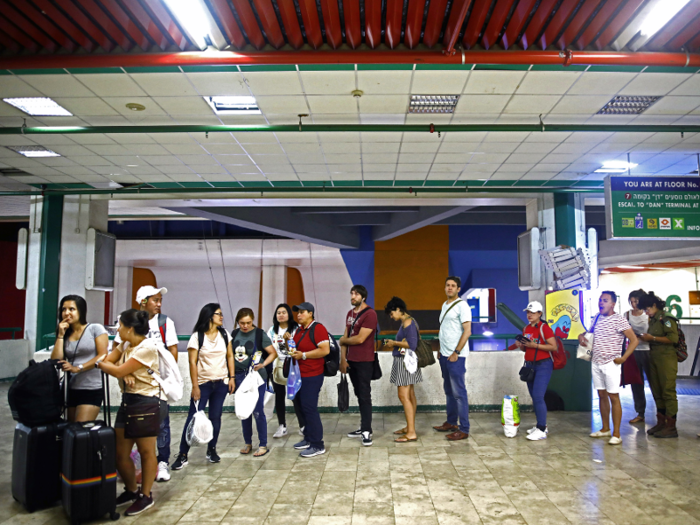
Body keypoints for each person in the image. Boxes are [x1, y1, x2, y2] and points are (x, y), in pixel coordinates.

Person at [95, 309, 168, 516]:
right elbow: (113, 362)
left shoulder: (146, 347)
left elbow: (110, 366)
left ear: (129, 328)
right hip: (128, 401)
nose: (117, 329)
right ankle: (131, 490)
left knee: (146, 452)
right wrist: (120, 368)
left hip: (147, 402)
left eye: (119, 326)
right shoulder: (127, 344)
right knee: (120, 453)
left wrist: (112, 366)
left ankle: (145, 495)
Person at [114, 285, 179, 483]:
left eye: (160, 300)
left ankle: (162, 462)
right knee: (133, 428)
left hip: (156, 385)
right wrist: (125, 373)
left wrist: (166, 376)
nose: (159, 304)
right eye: (155, 300)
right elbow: (117, 350)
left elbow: (173, 351)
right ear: (143, 302)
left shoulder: (165, 322)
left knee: (161, 424)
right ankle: (135, 469)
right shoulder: (127, 321)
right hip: (134, 388)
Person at [171, 304, 235, 470]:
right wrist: (195, 386)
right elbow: (192, 362)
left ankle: (211, 449)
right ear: (209, 316)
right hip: (203, 384)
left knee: (216, 417)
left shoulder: (225, 334)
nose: (222, 317)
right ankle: (183, 454)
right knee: (193, 417)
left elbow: (230, 356)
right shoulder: (197, 337)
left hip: (220, 383)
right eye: (218, 314)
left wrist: (232, 377)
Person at [578, 291, 638, 445]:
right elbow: (588, 333)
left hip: (611, 363)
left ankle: (617, 434)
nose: (601, 303)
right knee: (601, 395)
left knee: (613, 397)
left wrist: (623, 358)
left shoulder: (620, 320)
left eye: (605, 300)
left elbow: (634, 340)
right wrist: (581, 336)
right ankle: (605, 429)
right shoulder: (597, 317)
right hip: (596, 362)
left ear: (613, 304)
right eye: (600, 300)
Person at [51, 295, 108, 422]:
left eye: (72, 309)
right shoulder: (65, 333)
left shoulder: (95, 329)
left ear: (81, 311)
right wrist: (60, 336)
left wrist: (78, 368)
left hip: (91, 388)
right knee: (70, 431)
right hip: (71, 388)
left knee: (80, 430)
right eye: (64, 309)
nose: (67, 313)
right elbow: (55, 360)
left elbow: (102, 355)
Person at [287, 302, 330, 458]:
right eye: (297, 312)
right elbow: (295, 349)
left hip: (312, 375)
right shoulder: (299, 330)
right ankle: (308, 438)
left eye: (302, 312)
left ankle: (318, 444)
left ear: (311, 313)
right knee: (301, 408)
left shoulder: (318, 328)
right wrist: (288, 342)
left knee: (309, 408)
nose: (299, 315)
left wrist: (304, 355)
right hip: (298, 375)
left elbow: (325, 350)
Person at [232, 308, 277, 457]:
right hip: (239, 376)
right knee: (244, 411)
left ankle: (263, 444)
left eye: (248, 323)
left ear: (253, 321)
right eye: (242, 323)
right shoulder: (233, 334)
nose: (245, 326)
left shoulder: (259, 334)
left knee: (258, 411)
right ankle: (247, 442)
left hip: (256, 377)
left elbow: (273, 353)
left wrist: (263, 364)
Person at [338, 285, 378, 447]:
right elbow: (346, 335)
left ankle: (367, 430)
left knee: (364, 394)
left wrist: (342, 341)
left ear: (364, 297)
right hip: (351, 360)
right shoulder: (350, 314)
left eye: (356, 294)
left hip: (364, 361)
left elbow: (360, 339)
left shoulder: (370, 314)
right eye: (351, 294)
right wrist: (342, 359)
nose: (353, 297)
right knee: (357, 393)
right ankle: (363, 427)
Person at [434, 276, 472, 441]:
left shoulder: (462, 306)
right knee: (449, 391)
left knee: (459, 393)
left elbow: (467, 331)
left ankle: (464, 428)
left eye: (453, 286)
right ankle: (451, 422)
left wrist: (456, 351)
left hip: (456, 356)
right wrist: (441, 350)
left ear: (458, 289)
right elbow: (446, 329)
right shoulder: (445, 304)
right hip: (444, 354)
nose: (450, 288)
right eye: (447, 285)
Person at [638, 292, 680, 439]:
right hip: (654, 357)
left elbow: (673, 338)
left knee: (668, 391)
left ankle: (671, 426)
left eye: (647, 308)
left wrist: (652, 338)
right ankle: (661, 422)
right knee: (657, 391)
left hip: (666, 358)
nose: (646, 312)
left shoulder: (666, 319)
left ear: (654, 305)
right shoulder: (654, 320)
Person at [514, 301, 557, 441]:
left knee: (538, 396)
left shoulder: (544, 328)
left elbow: (553, 346)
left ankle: (542, 429)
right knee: (534, 396)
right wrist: (521, 345)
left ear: (540, 314)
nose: (529, 315)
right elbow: (526, 348)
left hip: (543, 365)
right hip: (530, 365)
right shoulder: (526, 328)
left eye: (532, 312)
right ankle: (539, 425)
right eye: (528, 312)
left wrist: (535, 345)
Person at [383, 296, 422, 443]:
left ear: (398, 309)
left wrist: (393, 343)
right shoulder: (409, 321)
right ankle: (409, 427)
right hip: (409, 362)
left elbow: (411, 344)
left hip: (404, 362)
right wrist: (399, 342)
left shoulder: (408, 322)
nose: (392, 317)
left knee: (403, 396)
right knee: (410, 395)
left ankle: (411, 432)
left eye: (392, 313)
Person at [267, 304, 306, 439]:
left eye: (284, 312)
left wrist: (288, 340)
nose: (281, 315)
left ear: (289, 314)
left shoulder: (296, 329)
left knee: (296, 397)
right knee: (279, 397)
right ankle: (282, 426)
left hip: (292, 366)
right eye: (278, 313)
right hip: (277, 367)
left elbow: (297, 348)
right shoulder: (272, 330)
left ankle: (303, 426)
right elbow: (268, 349)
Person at [625, 289, 652, 425]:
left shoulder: (648, 314)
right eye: (631, 301)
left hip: (649, 350)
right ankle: (640, 413)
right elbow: (624, 332)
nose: (633, 304)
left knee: (654, 382)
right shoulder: (627, 315)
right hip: (633, 351)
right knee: (636, 383)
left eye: (636, 301)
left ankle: (662, 413)